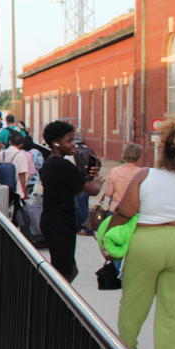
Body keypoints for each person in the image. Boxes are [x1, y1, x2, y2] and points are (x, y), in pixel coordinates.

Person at [112, 116, 175, 349]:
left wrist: (109, 236)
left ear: (164, 147)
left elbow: (125, 210)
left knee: (133, 302)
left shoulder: (146, 175)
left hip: (146, 241)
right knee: (174, 308)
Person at [39, 120, 103, 282]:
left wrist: (88, 177)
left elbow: (76, 190)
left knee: (69, 269)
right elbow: (93, 190)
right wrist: (97, 182)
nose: (73, 144)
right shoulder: (63, 165)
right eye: (68, 141)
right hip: (60, 223)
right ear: (56, 143)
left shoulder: (50, 163)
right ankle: (53, 302)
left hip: (54, 221)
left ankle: (55, 301)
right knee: (65, 272)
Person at [102, 142, 144, 212]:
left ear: (123, 156)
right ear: (139, 157)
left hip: (116, 209)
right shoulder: (142, 173)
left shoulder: (115, 171)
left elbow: (109, 193)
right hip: (135, 211)